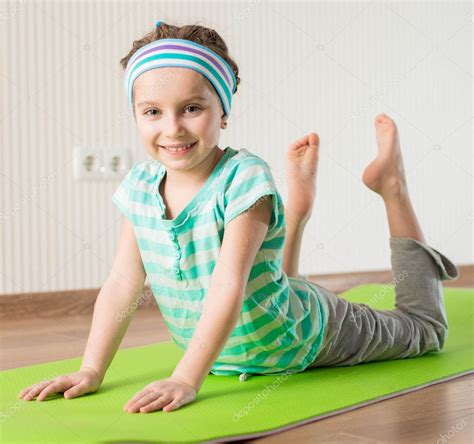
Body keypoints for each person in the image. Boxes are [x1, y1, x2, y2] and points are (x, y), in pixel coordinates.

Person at [18, 21, 459, 414]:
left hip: (302, 334)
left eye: (192, 108)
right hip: (255, 324)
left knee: (423, 329)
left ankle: (392, 188)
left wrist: (186, 378)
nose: (172, 127)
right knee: (272, 282)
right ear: (135, 114)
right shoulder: (138, 188)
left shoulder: (244, 178)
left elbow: (229, 283)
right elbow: (122, 284)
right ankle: (298, 209)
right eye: (153, 111)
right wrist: (91, 369)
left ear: (223, 112)